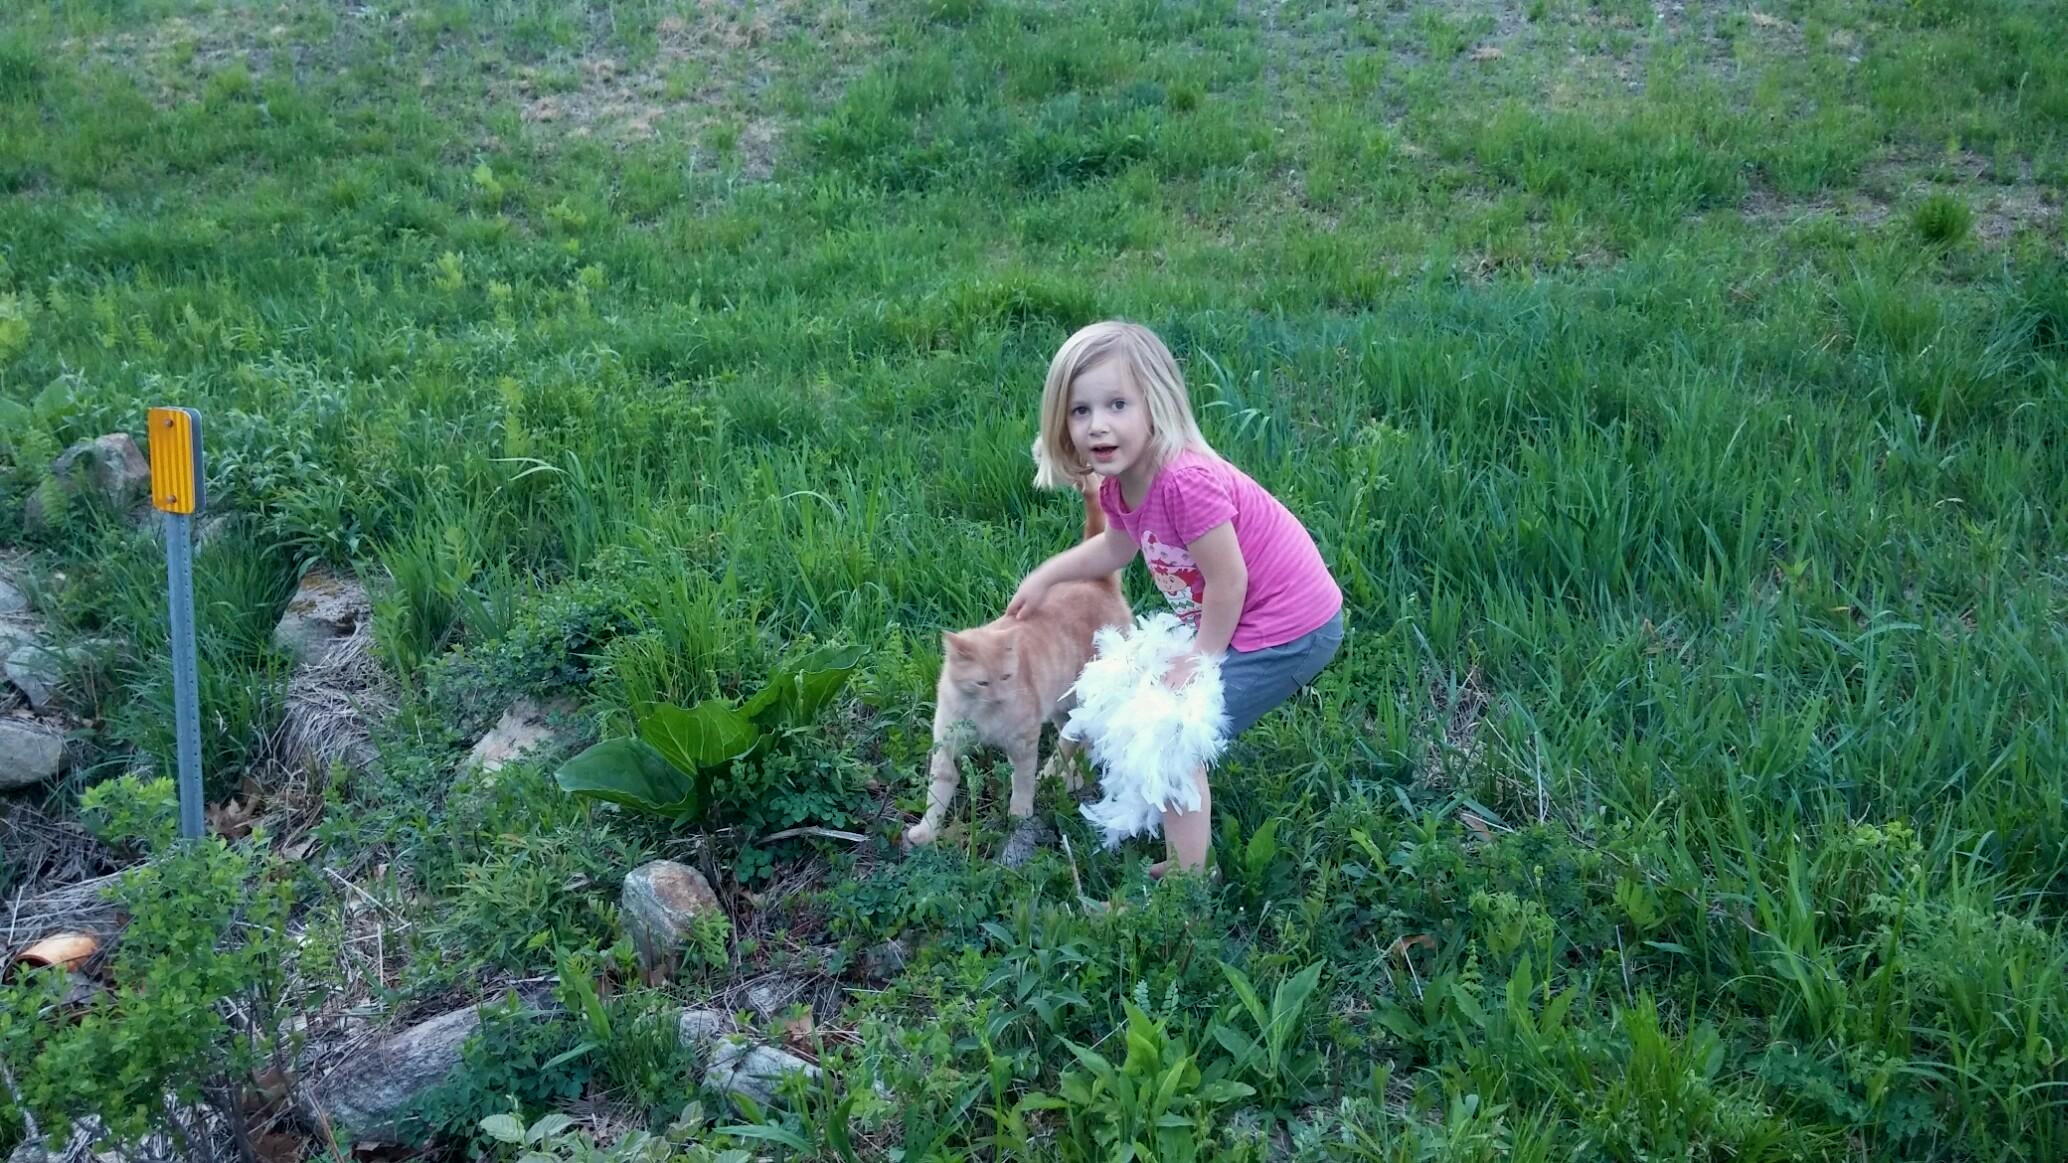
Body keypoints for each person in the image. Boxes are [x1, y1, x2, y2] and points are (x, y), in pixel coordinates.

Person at [1006, 320, 1344, 876]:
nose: (1097, 424)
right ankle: (1069, 777)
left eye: (1117, 404)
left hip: (1289, 630)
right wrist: (1048, 576)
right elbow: (1117, 547)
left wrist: (1200, 659)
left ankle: (1189, 882)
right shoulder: (1120, 482)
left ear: (1155, 404)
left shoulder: (1185, 482)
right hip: (1237, 618)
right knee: (1122, 680)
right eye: (1080, 410)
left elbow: (1229, 581)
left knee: (1170, 732)